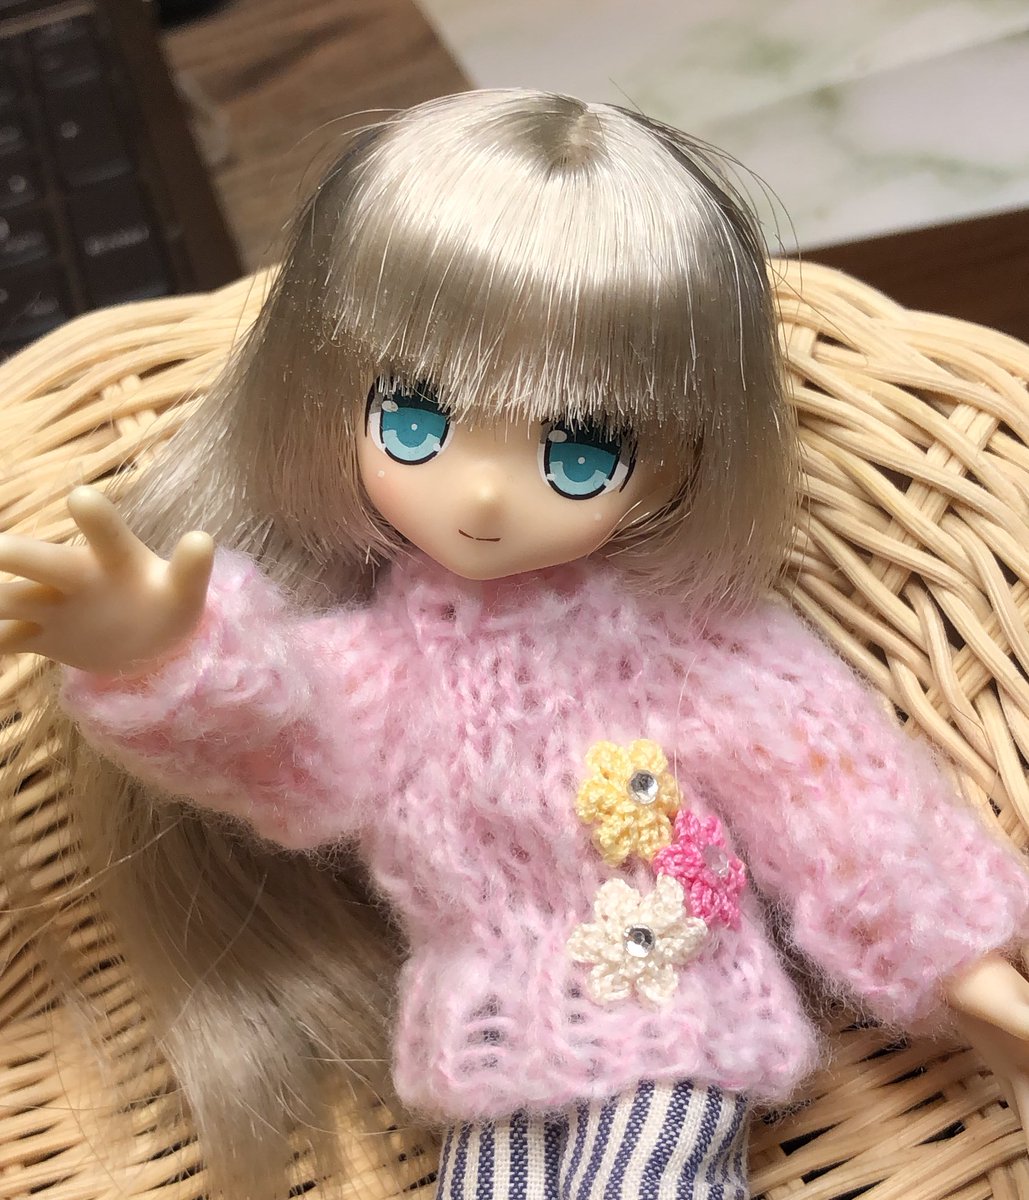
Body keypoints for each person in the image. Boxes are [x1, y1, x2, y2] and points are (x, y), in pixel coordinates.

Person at [2, 89, 1028, 1200]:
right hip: (486, 1035)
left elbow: (832, 791)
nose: (484, 495)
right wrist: (164, 657)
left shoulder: (687, 642)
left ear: (682, 460)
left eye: (579, 451)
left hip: (675, 1009)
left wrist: (956, 961)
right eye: (415, 421)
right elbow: (292, 743)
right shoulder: (396, 659)